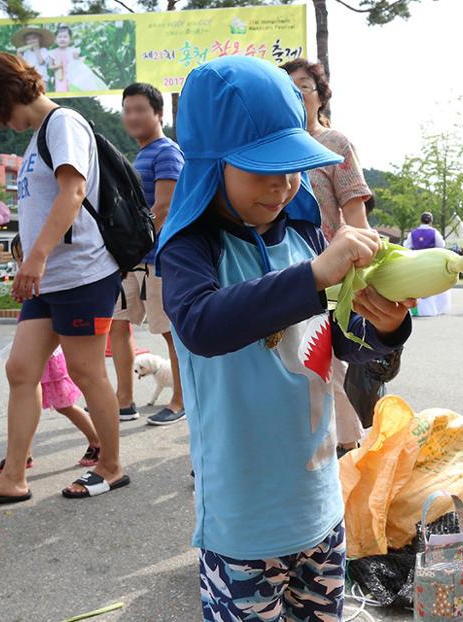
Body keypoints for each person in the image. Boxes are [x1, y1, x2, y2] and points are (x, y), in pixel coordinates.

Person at [156, 56, 413, 620]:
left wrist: (387, 328)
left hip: (320, 505)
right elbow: (200, 323)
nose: (282, 186)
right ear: (209, 166)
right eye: (261, 170)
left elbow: (340, 345)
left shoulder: (302, 239)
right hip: (243, 523)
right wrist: (314, 276)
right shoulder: (190, 252)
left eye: (292, 167)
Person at [0, 52, 127, 508]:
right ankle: (13, 477)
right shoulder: (38, 138)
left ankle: (112, 466)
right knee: (21, 369)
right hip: (47, 279)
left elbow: (73, 192)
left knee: (86, 371)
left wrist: (34, 258)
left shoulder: (63, 124)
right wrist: (32, 261)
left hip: (81, 274)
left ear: (10, 92)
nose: (3, 122)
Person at [283, 58, 373, 452]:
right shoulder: (272, 148)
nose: (296, 92)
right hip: (278, 269)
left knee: (327, 363)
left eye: (304, 85)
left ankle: (347, 450)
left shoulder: (335, 144)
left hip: (330, 270)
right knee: (285, 361)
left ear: (321, 95)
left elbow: (355, 216)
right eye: (287, 87)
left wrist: (364, 275)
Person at [0, 234, 102, 472]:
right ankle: (22, 455)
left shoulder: (51, 282)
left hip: (51, 361)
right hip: (36, 359)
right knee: (25, 400)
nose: (22, 264)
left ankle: (97, 441)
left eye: (25, 257)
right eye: (19, 259)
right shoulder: (30, 283)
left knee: (65, 405)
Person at [116, 82, 186, 426]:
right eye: (127, 110)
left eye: (140, 109)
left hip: (158, 257)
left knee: (169, 331)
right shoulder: (143, 154)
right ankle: (124, 401)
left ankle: (180, 399)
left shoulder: (166, 152)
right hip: (133, 259)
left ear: (158, 113)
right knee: (117, 325)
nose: (133, 116)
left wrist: (132, 246)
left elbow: (164, 208)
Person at [404, 212, 451, 316]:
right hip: (431, 262)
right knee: (434, 284)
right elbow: (442, 245)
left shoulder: (413, 233)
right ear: (431, 221)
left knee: (417, 285)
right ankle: (435, 308)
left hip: (416, 262)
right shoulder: (434, 232)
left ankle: (417, 309)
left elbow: (406, 246)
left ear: (420, 220)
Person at [49, 26, 107, 93]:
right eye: (59, 37)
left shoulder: (73, 51)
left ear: (70, 40)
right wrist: (57, 66)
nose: (62, 39)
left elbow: (79, 64)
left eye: (65, 37)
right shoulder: (53, 53)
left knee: (73, 91)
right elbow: (50, 66)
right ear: (55, 40)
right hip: (60, 77)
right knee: (62, 92)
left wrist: (78, 58)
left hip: (73, 77)